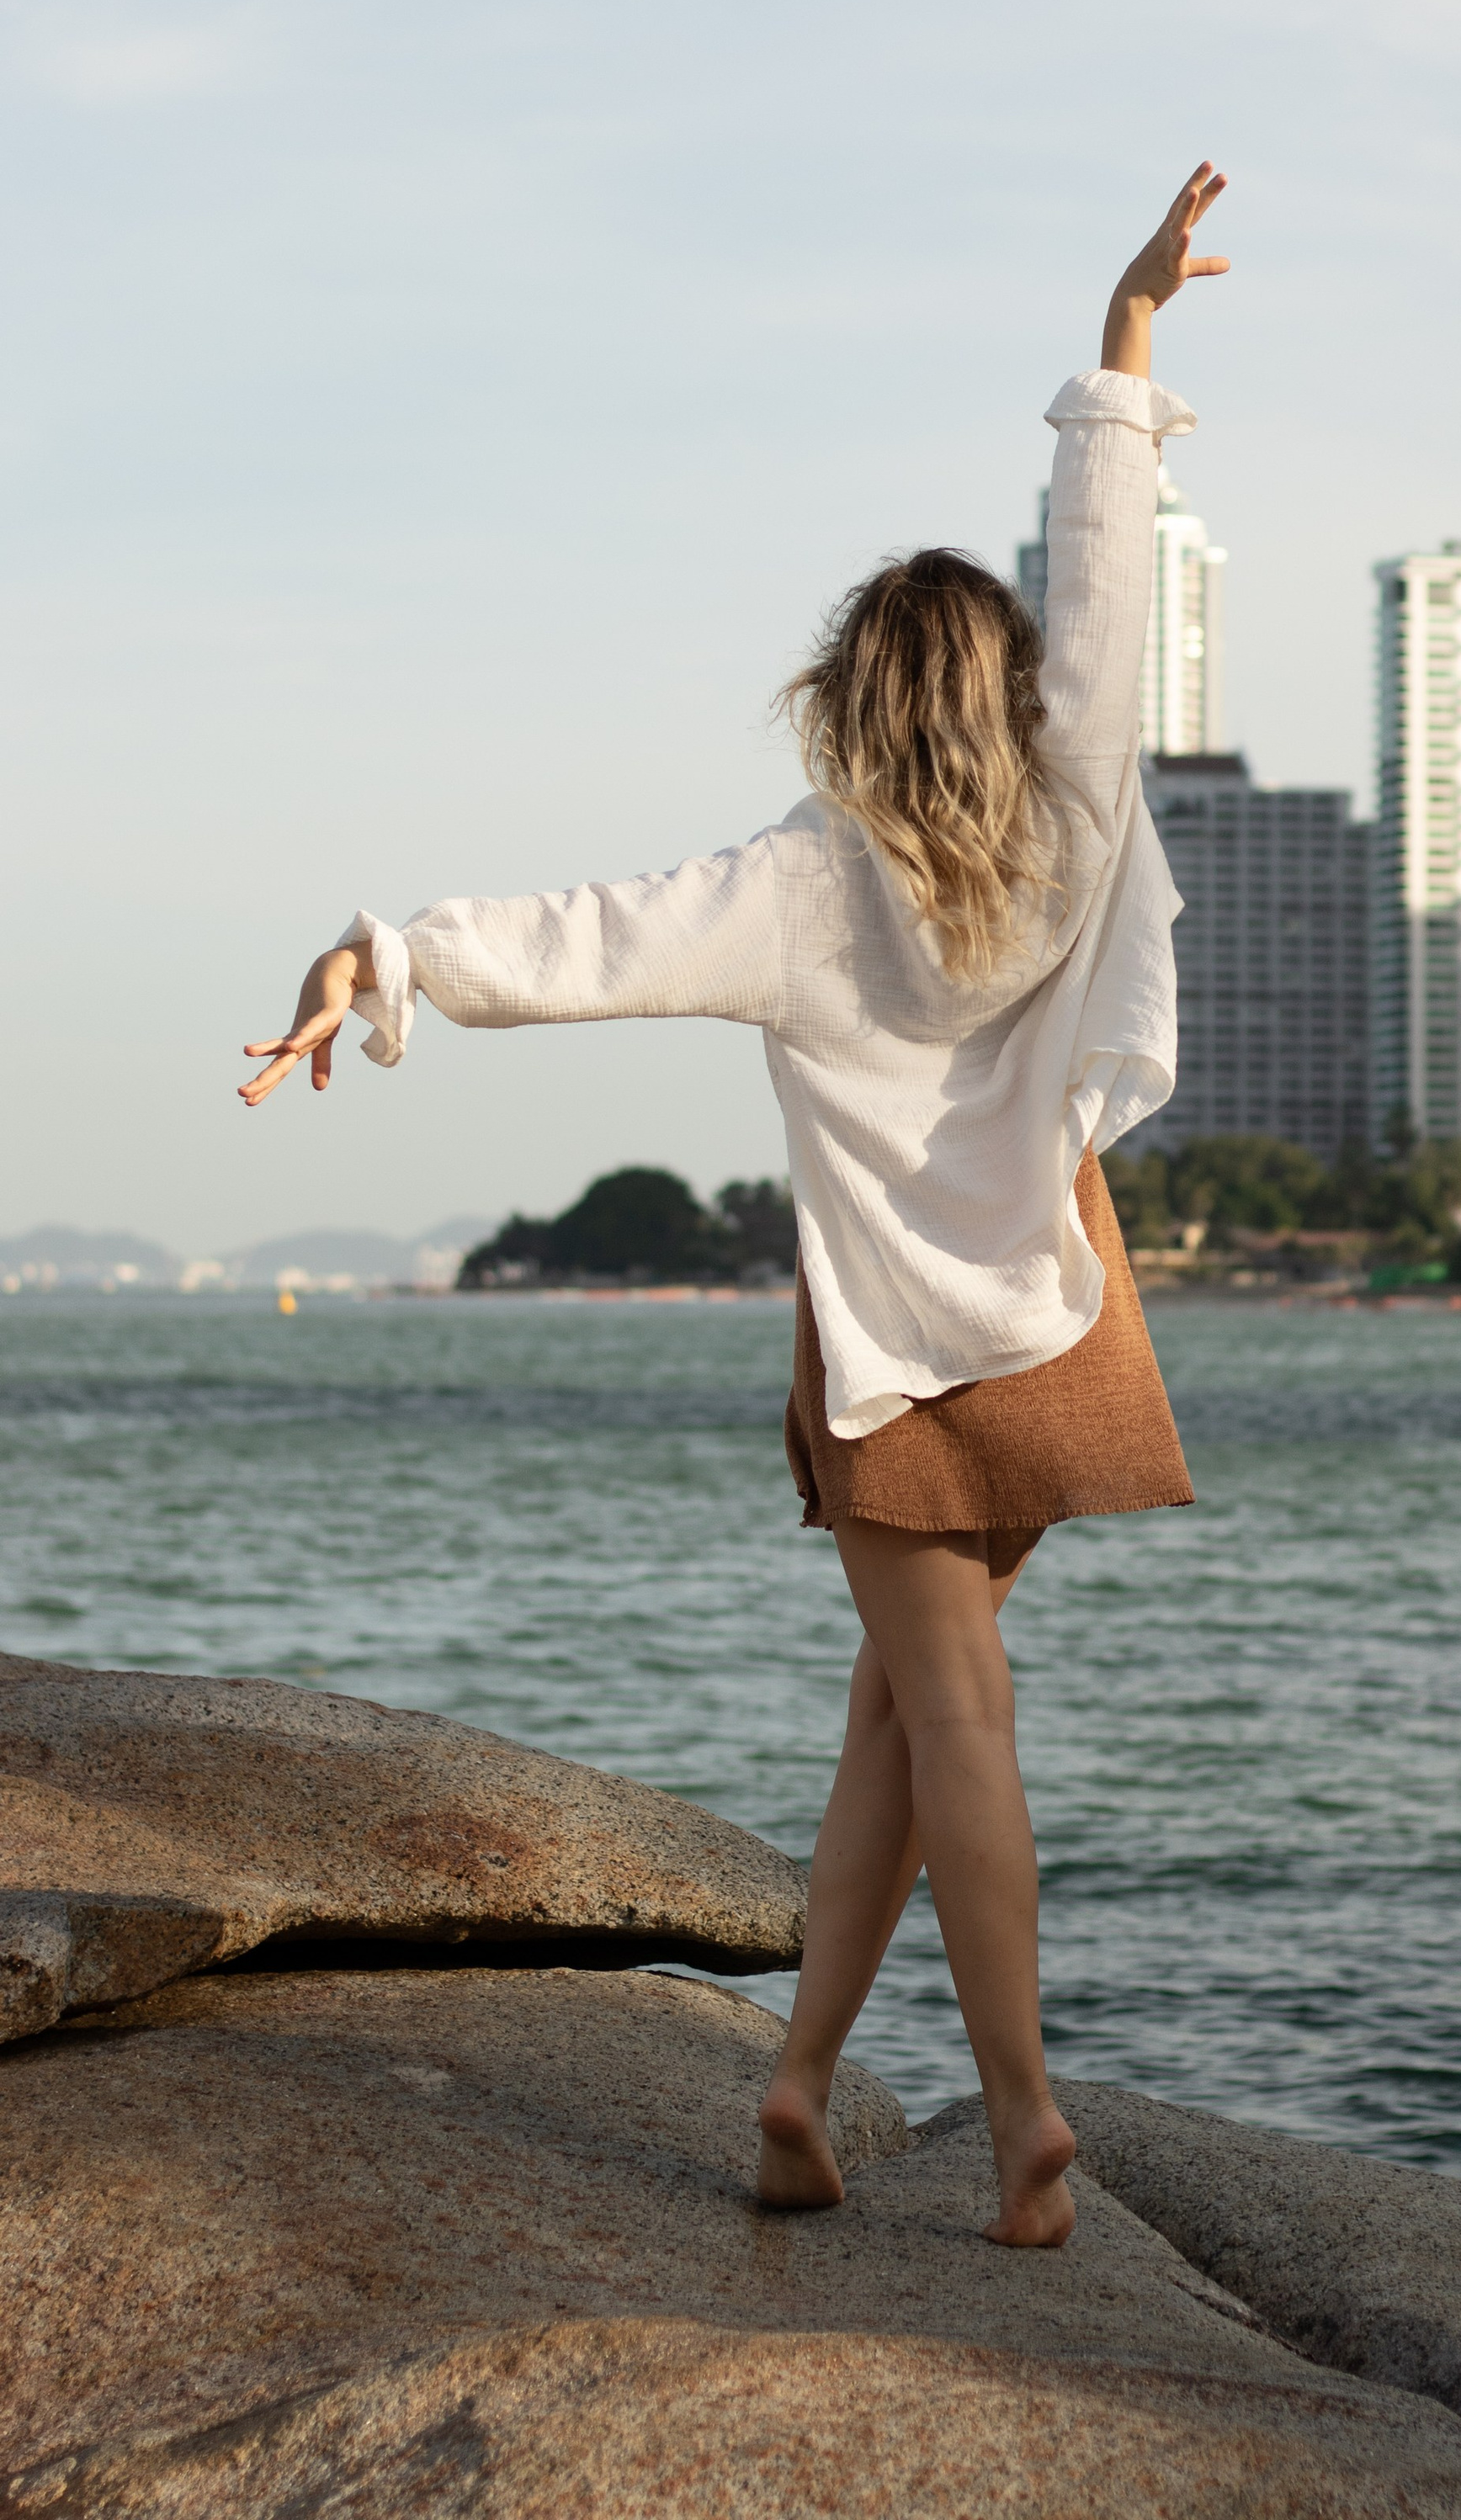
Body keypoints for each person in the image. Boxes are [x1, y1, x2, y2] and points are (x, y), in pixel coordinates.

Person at [239, 164, 1230, 2250]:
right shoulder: (1074, 802)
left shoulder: (801, 882)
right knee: (904, 1704)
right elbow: (1111, 578)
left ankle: (1025, 2111)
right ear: (1010, 692)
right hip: (1055, 1325)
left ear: (851, 705)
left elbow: (582, 938)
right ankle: (794, 2091)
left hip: (885, 1357)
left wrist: (390, 958)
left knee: (943, 1706)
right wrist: (1122, 349)